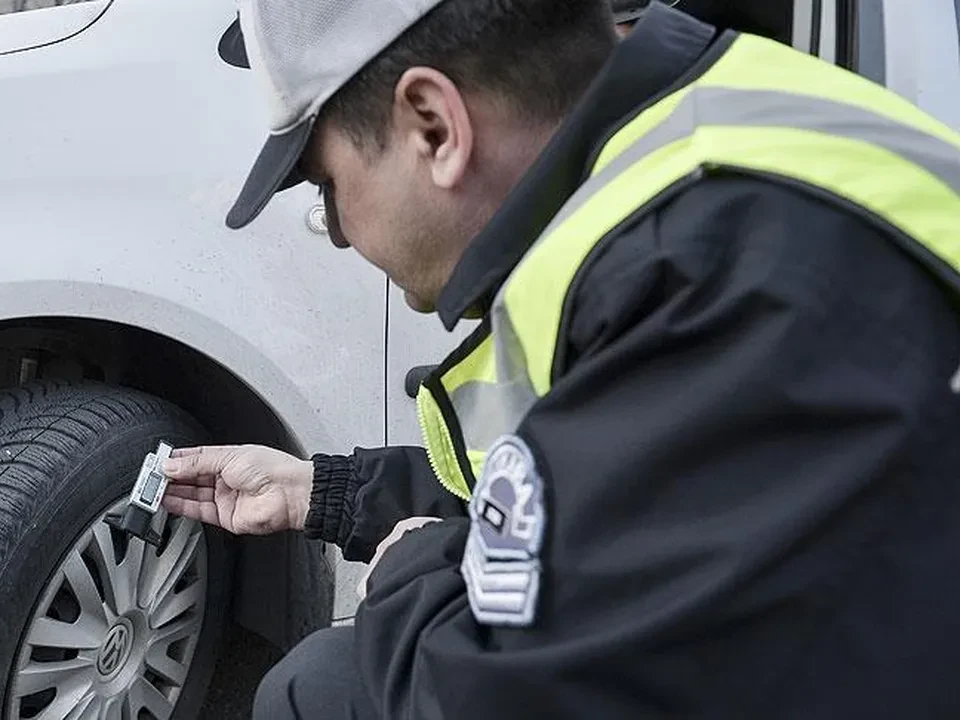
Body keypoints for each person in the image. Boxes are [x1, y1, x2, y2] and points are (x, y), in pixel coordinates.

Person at [163, 0, 960, 717]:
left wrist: (412, 571)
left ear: (434, 127)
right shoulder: (701, 146)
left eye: (326, 186)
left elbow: (501, 692)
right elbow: (605, 483)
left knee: (325, 691)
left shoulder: (720, 267)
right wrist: (323, 493)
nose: (336, 230)